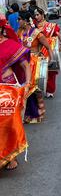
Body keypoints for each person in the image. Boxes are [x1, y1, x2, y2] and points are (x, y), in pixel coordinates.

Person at [0, 15, 31, 170]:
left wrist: (27, 85)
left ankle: (11, 157)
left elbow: (25, 66)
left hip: (9, 89)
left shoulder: (10, 44)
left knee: (10, 124)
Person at [17, 12, 53, 123]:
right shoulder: (19, 32)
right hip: (22, 64)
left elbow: (48, 47)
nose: (18, 21)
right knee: (24, 89)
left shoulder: (36, 33)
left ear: (26, 20)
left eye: (19, 19)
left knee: (33, 89)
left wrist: (50, 60)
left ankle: (36, 113)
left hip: (34, 64)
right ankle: (27, 114)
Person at [34, 7, 61, 98]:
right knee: (37, 70)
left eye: (38, 15)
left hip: (48, 49)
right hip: (38, 50)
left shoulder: (50, 26)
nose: (36, 17)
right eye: (35, 15)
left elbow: (58, 35)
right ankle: (37, 89)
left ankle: (50, 90)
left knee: (50, 70)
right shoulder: (33, 26)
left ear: (42, 15)